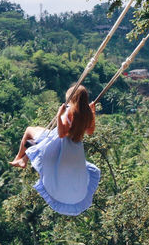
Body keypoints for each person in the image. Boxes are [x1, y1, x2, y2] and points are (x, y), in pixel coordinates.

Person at [10, 85, 100, 216]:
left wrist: (59, 115)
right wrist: (93, 113)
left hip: (59, 143)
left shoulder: (70, 111)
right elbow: (90, 131)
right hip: (74, 149)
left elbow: (62, 133)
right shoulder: (87, 114)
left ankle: (19, 158)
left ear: (72, 98)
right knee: (37, 143)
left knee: (30, 131)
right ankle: (24, 159)